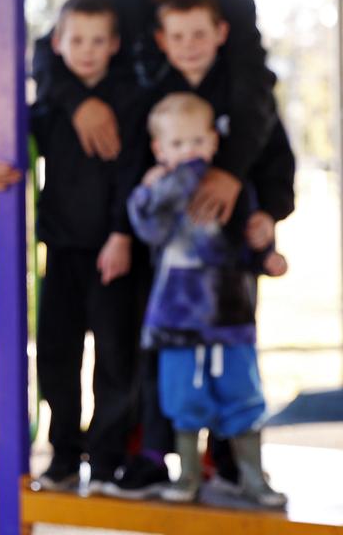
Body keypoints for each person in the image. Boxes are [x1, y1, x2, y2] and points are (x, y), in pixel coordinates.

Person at [33, 0, 279, 497]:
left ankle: (229, 463)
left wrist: (242, 184)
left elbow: (257, 103)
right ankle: (142, 460)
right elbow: (50, 49)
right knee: (146, 343)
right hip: (138, 201)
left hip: (215, 209)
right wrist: (79, 102)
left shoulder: (233, 0)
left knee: (224, 339)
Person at [127, 93, 287, 509]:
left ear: (214, 142)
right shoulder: (159, 189)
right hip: (177, 319)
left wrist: (265, 252)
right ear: (160, 150)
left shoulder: (234, 188)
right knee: (182, 399)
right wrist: (153, 188)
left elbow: (248, 237)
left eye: (197, 142)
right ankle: (188, 476)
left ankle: (252, 476)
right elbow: (146, 228)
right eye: (177, 145)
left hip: (229, 314)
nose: (190, 153)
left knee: (243, 396)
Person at [19, 0, 145, 491]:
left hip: (113, 251)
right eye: (77, 40)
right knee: (56, 355)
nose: (87, 50)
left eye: (98, 40)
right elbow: (13, 141)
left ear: (114, 45)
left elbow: (133, 172)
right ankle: (65, 455)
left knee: (114, 358)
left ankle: (109, 458)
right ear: (59, 43)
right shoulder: (51, 105)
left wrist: (121, 234)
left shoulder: (129, 102)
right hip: (64, 250)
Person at [150, 0, 294, 278]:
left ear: (221, 32)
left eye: (200, 34)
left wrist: (269, 213)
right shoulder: (151, 96)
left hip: (237, 254)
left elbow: (277, 156)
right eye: (178, 36)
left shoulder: (248, 97)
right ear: (162, 40)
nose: (189, 45)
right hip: (170, 260)